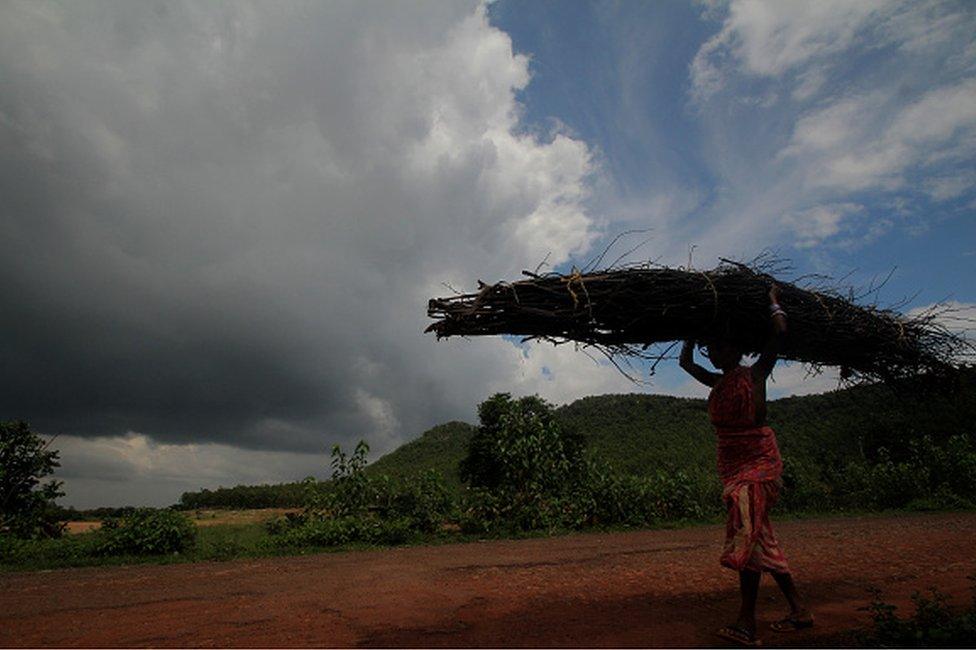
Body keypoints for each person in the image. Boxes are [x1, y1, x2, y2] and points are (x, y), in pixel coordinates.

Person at [679, 284, 813, 647]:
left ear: (738, 348)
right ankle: (799, 610)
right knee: (760, 537)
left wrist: (773, 302)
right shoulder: (717, 381)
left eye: (723, 347)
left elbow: (780, 332)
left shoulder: (755, 375)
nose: (718, 354)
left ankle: (746, 622)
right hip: (734, 466)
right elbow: (685, 363)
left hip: (759, 465)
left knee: (748, 537)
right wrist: (690, 335)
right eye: (713, 349)